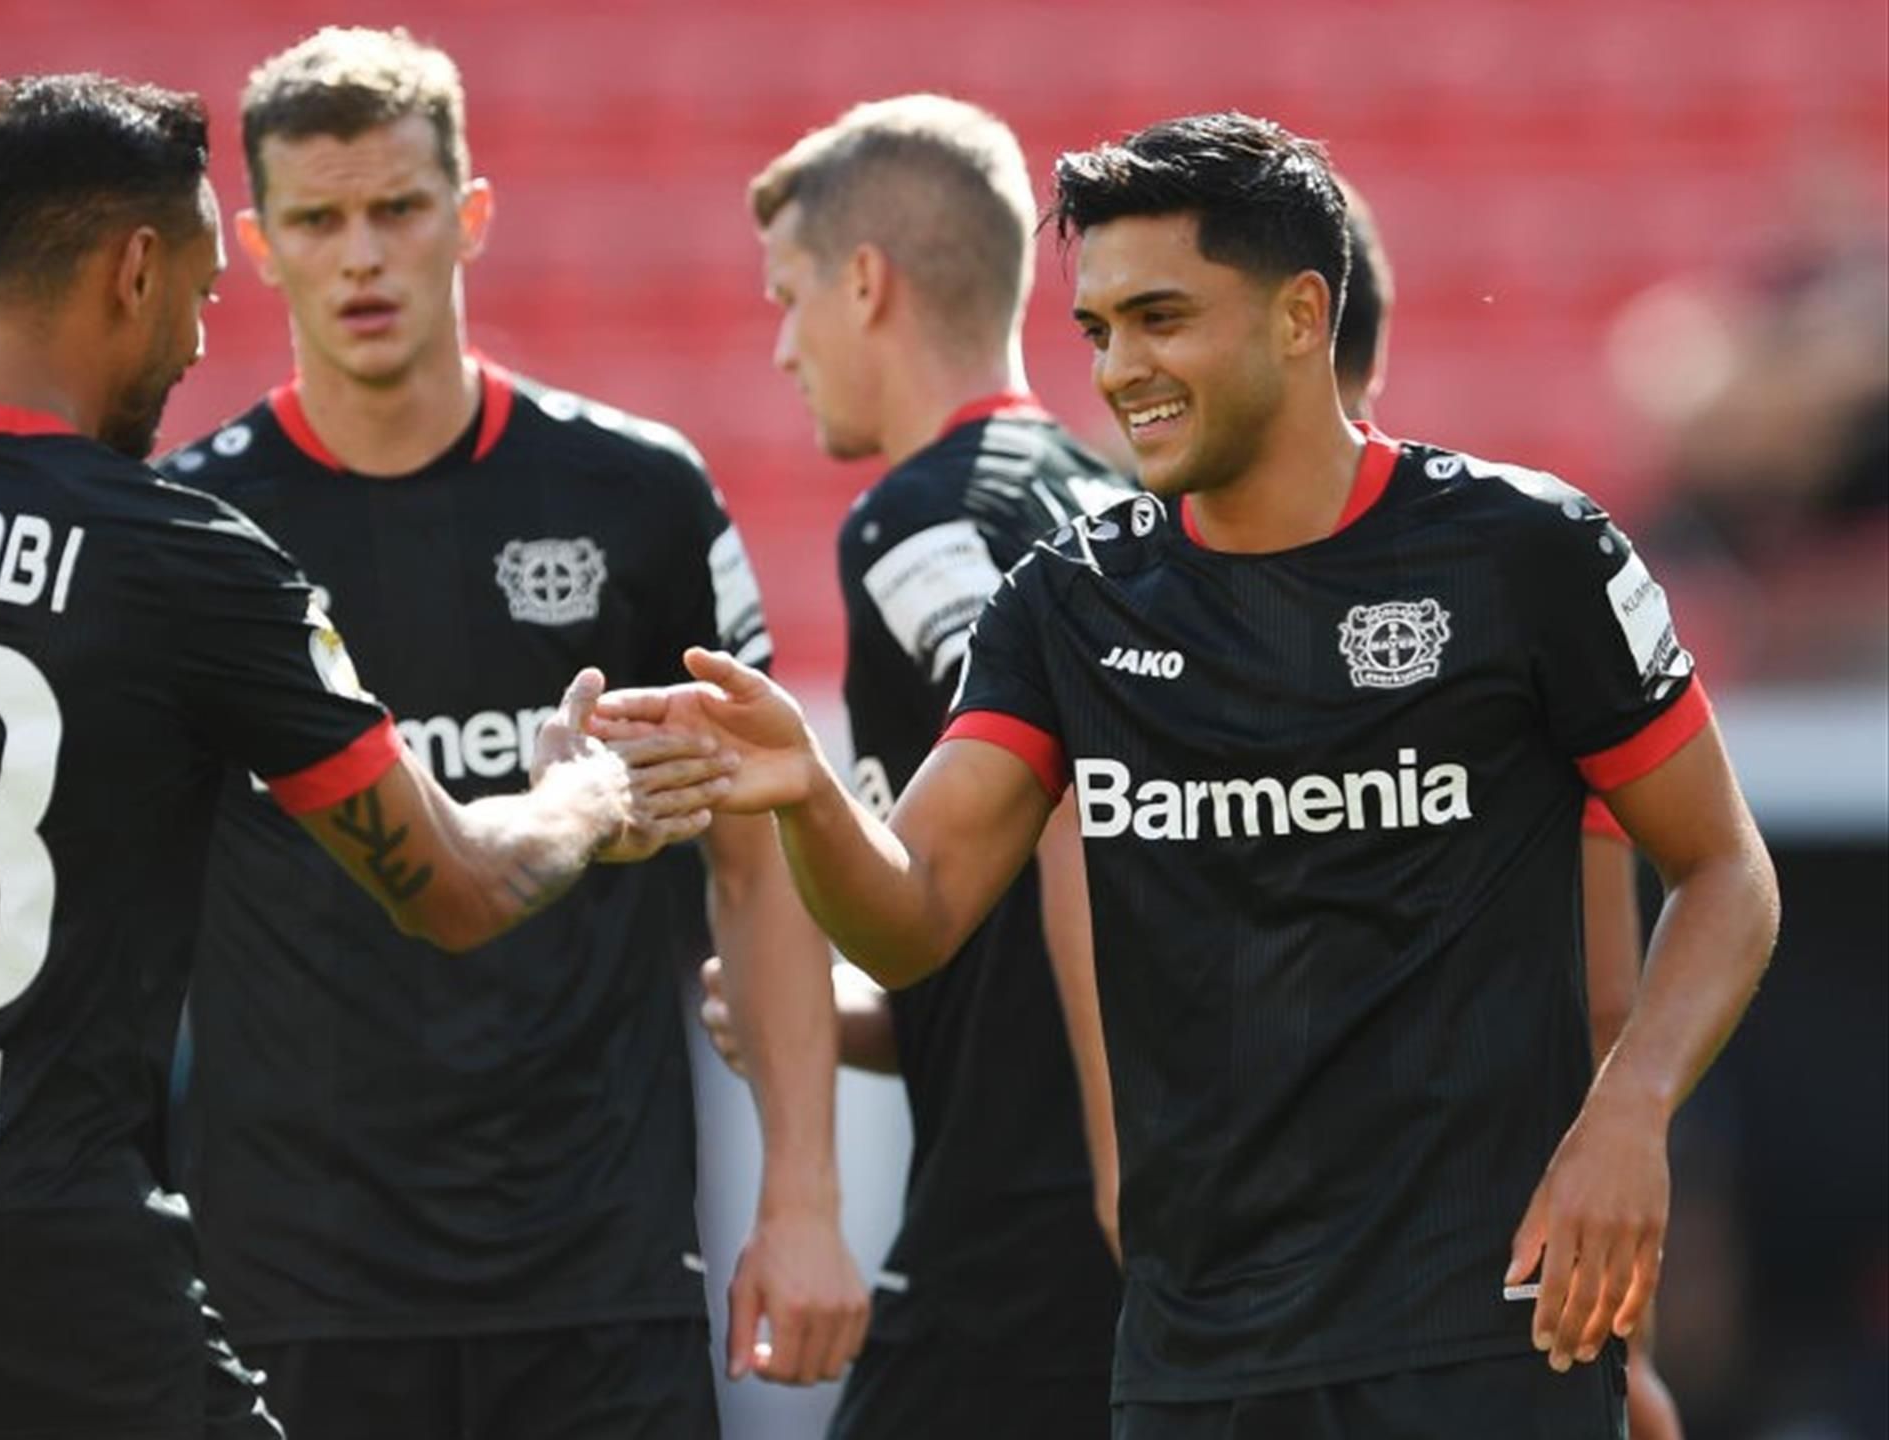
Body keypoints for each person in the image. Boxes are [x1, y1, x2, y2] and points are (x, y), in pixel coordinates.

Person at [0, 73, 729, 1440]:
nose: (194, 341)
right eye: (195, 287)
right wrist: (589, 792)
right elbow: (458, 887)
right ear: (134, 269)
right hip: (51, 1275)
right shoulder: (181, 557)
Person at [598, 112, 1780, 1439]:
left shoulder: (1527, 558)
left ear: (1299, 315)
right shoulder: (1071, 603)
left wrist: (1629, 1112)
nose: (1121, 370)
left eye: (1161, 317)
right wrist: (810, 796)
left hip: (1479, 1332)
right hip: (1195, 1355)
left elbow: (1727, 868)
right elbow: (916, 910)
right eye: (1099, 330)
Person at [148, 28, 864, 1439]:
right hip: (292, 1288)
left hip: (599, 1270)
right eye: (319, 220)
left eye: (398, 210)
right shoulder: (194, 535)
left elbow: (757, 853)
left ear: (468, 217)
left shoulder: (636, 495)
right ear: (260, 243)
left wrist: (800, 1201)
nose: (362, 256)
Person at [692, 94, 1130, 1439]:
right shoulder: (1116, 499)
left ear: (866, 283)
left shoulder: (919, 519)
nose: (781, 347)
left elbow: (1073, 802)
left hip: (1035, 1219)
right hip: (1162, 1187)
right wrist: (866, 1021)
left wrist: (1122, 1170)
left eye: (791, 297)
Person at [1339, 176, 1689, 1440]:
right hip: (1476, 1293)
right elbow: (1601, 997)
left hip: (1225, 1304)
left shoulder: (1152, 614)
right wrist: (1627, 1344)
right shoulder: (1506, 596)